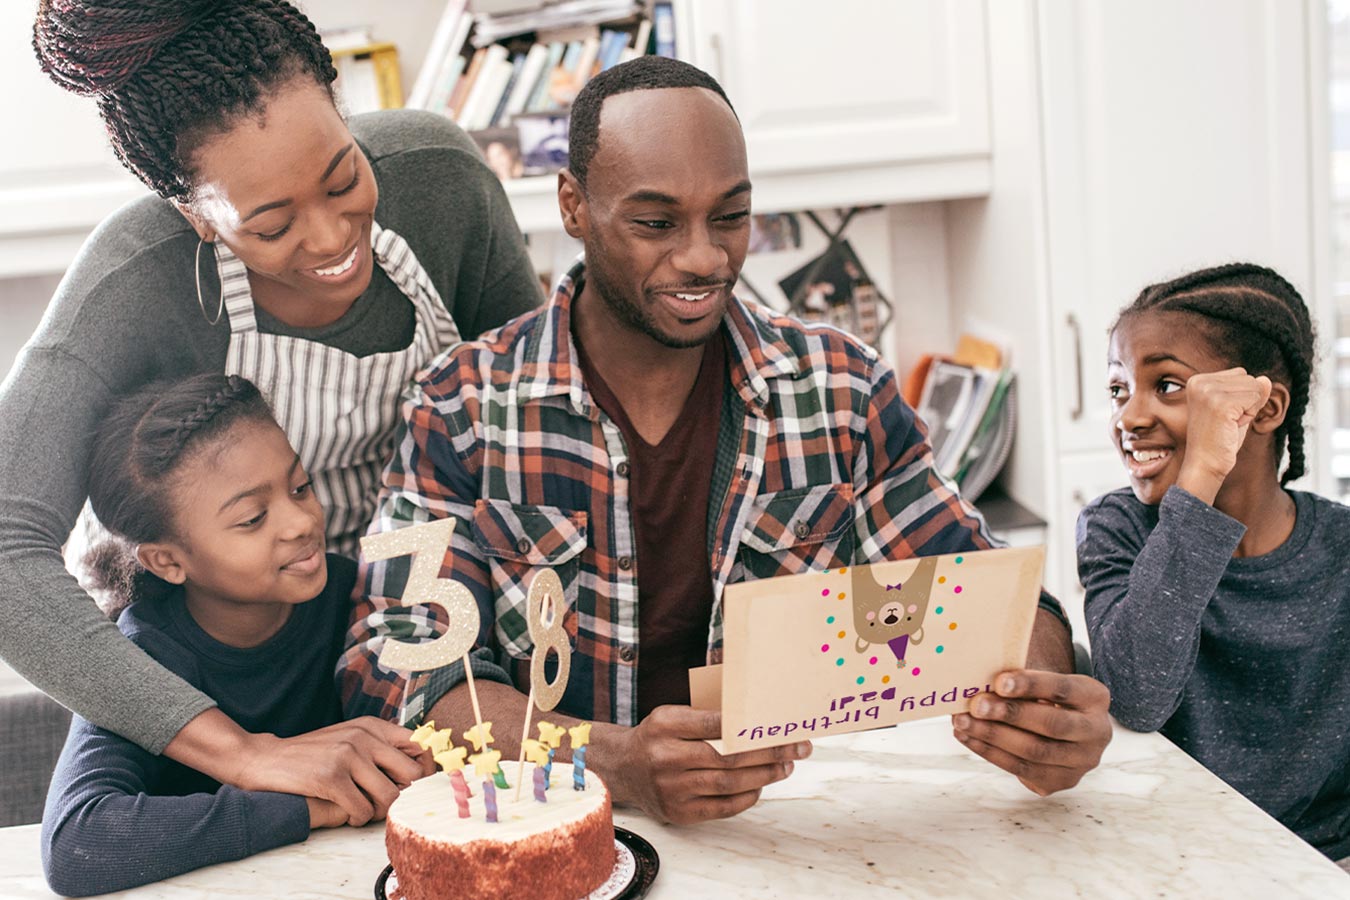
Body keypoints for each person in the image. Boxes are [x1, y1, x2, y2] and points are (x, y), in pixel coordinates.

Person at [343, 56, 1112, 825]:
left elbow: (986, 592)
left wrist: (1042, 696)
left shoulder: (840, 390)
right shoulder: (461, 405)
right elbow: (404, 671)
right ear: (573, 206)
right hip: (554, 831)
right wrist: (611, 760)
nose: (705, 258)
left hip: (795, 833)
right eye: (656, 223)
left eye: (731, 216)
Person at [6, 0, 538, 820]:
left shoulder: (441, 185)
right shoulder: (132, 281)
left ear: (343, 105)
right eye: (272, 223)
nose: (329, 240)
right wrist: (246, 755)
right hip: (228, 676)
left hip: (420, 642)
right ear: (194, 216)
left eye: (343, 177)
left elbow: (533, 434)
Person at [40, 374, 431, 897]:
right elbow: (76, 844)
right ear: (168, 561)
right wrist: (307, 806)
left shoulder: (359, 599)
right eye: (252, 518)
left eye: (300, 487)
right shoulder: (143, 657)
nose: (299, 523)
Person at [1075, 264, 1350, 860]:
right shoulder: (1115, 528)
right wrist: (1200, 477)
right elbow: (1137, 695)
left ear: (1265, 408)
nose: (1128, 417)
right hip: (1173, 862)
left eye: (1167, 386)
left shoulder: (1342, 551)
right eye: (1119, 389)